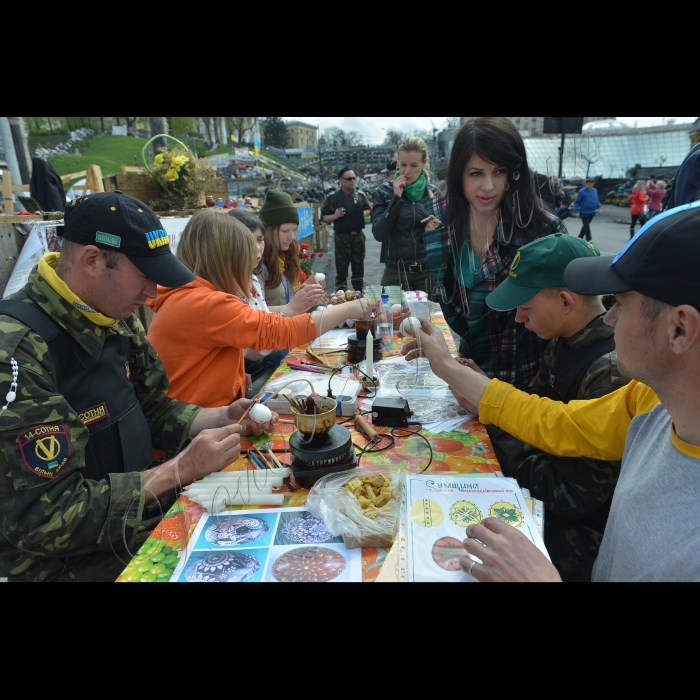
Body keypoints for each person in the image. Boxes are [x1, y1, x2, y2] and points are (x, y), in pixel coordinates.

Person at [403, 201, 700, 582]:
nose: (608, 317)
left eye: (622, 304)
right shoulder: (652, 405)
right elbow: (556, 422)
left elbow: (566, 488)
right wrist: (462, 379)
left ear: (679, 329)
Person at [0, 192, 278, 583]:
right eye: (145, 276)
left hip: (141, 527)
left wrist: (220, 417)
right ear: (93, 260)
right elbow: (45, 517)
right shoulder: (16, 352)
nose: (152, 294)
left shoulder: (113, 313)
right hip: (72, 565)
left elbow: (154, 408)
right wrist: (178, 469)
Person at [475, 233, 631, 581]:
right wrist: (486, 392)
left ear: (564, 301)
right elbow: (537, 413)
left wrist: (493, 415)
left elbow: (569, 495)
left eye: (525, 307)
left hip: (580, 536)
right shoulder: (565, 341)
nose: (518, 319)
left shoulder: (608, 372)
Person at [147, 210, 371, 408]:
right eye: (243, 255)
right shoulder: (205, 303)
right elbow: (280, 332)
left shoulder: (195, 295)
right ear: (222, 258)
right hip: (193, 425)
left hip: (205, 412)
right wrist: (348, 309)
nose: (248, 264)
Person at [423, 117, 561, 390]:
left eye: (499, 172)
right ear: (458, 174)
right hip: (469, 371)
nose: (488, 186)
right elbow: (457, 306)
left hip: (527, 382)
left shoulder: (541, 230)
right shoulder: (440, 218)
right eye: (476, 173)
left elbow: (567, 321)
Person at [371, 137, 440, 298]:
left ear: (424, 163)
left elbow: (447, 237)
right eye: (402, 165)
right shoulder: (384, 192)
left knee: (429, 319)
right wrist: (396, 199)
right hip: (396, 271)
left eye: (414, 165)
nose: (406, 171)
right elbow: (378, 233)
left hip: (426, 271)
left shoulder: (433, 193)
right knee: (389, 316)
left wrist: (434, 230)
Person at [257, 189, 325, 311]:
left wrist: (304, 289)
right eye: (285, 231)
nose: (292, 237)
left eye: (294, 230)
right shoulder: (258, 264)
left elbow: (287, 300)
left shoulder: (285, 257)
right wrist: (292, 308)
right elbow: (256, 312)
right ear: (268, 231)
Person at [321, 168, 372, 292]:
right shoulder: (333, 198)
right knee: (341, 270)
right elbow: (323, 217)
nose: (352, 181)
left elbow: (368, 208)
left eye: (354, 178)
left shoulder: (360, 195)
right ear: (341, 180)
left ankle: (359, 294)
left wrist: (363, 213)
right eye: (349, 179)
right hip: (342, 237)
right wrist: (334, 216)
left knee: (358, 268)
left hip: (358, 237)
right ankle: (341, 296)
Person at [574, 177, 603, 242]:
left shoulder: (595, 190)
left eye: (592, 183)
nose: (590, 185)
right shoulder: (582, 192)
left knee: (585, 225)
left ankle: (580, 237)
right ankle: (588, 238)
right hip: (584, 211)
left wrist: (599, 207)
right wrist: (577, 211)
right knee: (586, 225)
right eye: (589, 183)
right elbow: (577, 201)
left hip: (592, 211)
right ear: (586, 184)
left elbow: (596, 200)